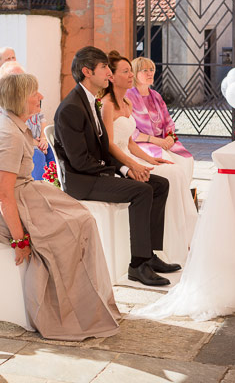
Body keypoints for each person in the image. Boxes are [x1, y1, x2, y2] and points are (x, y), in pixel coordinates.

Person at [0, 73, 119, 340]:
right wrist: (20, 240)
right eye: (35, 93)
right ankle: (67, 312)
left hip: (20, 193)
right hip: (1, 207)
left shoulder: (14, 125)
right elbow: (4, 195)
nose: (41, 96)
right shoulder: (10, 135)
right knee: (73, 228)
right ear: (20, 100)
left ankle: (86, 303)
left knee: (82, 217)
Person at [53, 46, 178, 287]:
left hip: (97, 172)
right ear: (87, 72)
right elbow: (79, 161)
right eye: (104, 68)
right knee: (142, 191)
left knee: (160, 184)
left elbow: (102, 148)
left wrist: (127, 168)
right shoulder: (71, 108)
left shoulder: (91, 101)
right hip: (82, 181)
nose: (109, 73)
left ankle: (150, 255)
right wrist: (120, 171)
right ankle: (138, 265)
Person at [101, 51, 198, 264]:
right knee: (171, 175)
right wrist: (135, 164)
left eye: (130, 71)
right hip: (121, 162)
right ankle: (162, 249)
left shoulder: (126, 102)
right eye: (126, 71)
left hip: (134, 154)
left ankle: (181, 239)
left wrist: (152, 160)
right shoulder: (107, 104)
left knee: (174, 168)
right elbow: (109, 144)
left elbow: (129, 142)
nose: (131, 75)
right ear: (112, 77)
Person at [126, 57, 194, 182]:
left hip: (163, 140)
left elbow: (168, 122)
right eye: (144, 70)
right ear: (135, 73)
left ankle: (185, 194)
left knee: (187, 160)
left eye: (151, 69)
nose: (150, 73)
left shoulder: (156, 95)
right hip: (142, 143)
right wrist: (155, 141)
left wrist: (169, 137)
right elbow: (129, 130)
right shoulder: (128, 96)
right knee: (170, 164)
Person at [0, 61, 55, 181]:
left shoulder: (22, 108)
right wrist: (36, 143)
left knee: (53, 150)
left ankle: (51, 184)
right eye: (17, 79)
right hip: (18, 151)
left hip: (33, 142)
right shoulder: (2, 115)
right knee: (37, 155)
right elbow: (4, 193)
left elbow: (39, 119)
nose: (41, 97)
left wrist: (43, 139)